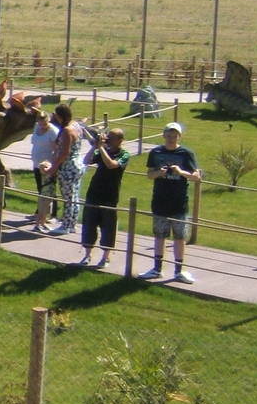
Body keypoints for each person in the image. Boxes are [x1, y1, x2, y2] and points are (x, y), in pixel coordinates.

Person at [140, 121, 201, 284]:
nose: (171, 138)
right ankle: (157, 269)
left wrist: (180, 172)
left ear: (179, 136)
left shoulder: (187, 153)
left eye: (174, 135)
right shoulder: (156, 152)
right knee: (159, 235)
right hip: (160, 200)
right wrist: (159, 173)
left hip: (179, 202)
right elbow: (149, 174)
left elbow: (196, 177)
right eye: (168, 135)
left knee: (180, 237)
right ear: (164, 135)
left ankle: (179, 271)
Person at [78, 127, 130, 267]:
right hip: (94, 192)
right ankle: (87, 255)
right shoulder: (102, 150)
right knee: (89, 224)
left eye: (111, 138)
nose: (108, 139)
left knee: (108, 227)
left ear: (120, 140)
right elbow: (86, 161)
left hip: (110, 195)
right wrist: (95, 146)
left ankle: (105, 258)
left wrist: (101, 148)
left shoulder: (124, 154)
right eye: (108, 136)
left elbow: (111, 165)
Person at [46, 103, 89, 235]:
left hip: (68, 167)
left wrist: (53, 167)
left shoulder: (66, 130)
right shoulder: (76, 125)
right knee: (74, 196)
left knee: (68, 198)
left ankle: (65, 226)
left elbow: (64, 153)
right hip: (77, 164)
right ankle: (72, 223)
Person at [28, 109, 59, 230]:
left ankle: (50, 215)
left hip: (48, 166)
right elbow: (34, 142)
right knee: (41, 190)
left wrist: (53, 165)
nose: (42, 126)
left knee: (49, 192)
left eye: (44, 123)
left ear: (48, 120)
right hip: (37, 164)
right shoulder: (36, 128)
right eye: (40, 123)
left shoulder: (53, 132)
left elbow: (57, 149)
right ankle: (40, 216)